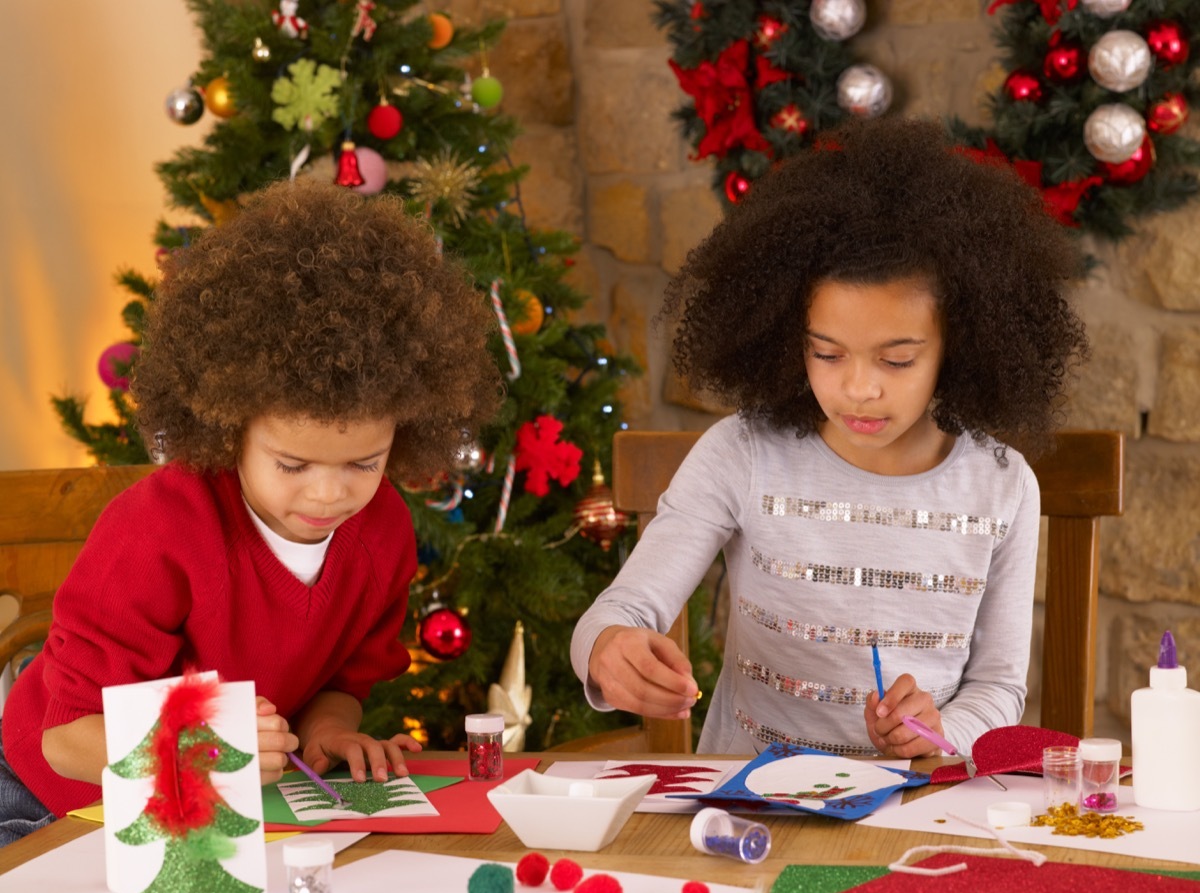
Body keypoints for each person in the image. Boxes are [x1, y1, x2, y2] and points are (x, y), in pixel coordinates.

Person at [0, 177, 502, 846]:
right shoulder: (156, 531)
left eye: (363, 463)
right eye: (292, 465)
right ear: (228, 429)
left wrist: (330, 733)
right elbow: (64, 740)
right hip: (50, 800)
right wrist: (198, 754)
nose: (329, 497)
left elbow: (345, 677)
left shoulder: (381, 532)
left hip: (220, 817)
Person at [570, 116, 1088, 759]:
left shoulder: (1002, 486)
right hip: (750, 806)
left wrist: (936, 733)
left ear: (960, 348)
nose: (859, 388)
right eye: (827, 354)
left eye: (896, 360)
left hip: (913, 815)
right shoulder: (744, 453)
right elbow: (623, 608)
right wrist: (608, 647)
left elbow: (997, 689)